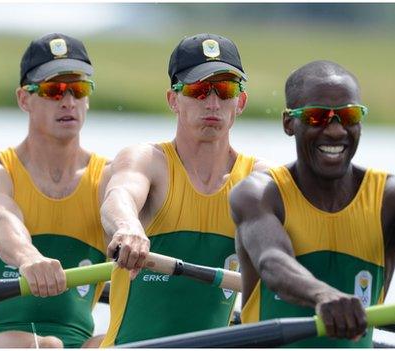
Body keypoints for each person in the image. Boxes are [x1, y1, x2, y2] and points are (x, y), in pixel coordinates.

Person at [230, 60, 395, 347]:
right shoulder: (259, 194)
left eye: (348, 116)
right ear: (289, 123)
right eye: (316, 117)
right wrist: (324, 295)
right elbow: (273, 262)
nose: (336, 131)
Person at [99, 33, 270, 346]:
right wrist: (127, 229)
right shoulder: (147, 160)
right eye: (199, 90)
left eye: (225, 90)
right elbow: (119, 196)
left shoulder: (258, 179)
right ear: (173, 99)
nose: (213, 103)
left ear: (241, 102)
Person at [0, 33, 111, 348]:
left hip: (79, 342)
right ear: (24, 99)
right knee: (47, 346)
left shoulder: (110, 180)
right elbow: (1, 218)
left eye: (78, 89)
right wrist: (28, 258)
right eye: (53, 89)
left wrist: (130, 236)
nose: (68, 100)